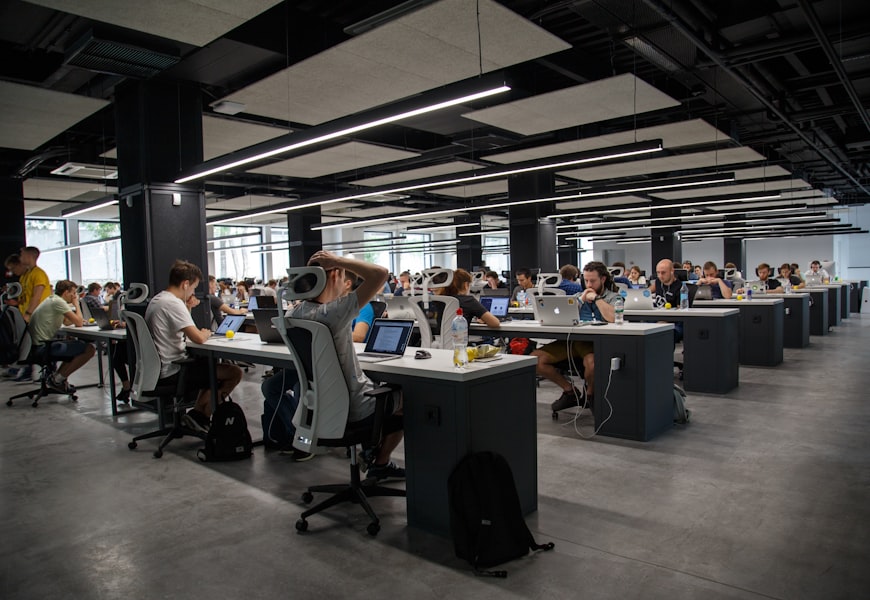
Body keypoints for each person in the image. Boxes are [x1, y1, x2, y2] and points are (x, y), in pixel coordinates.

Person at [291, 251, 404, 480]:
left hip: (320, 408)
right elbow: (381, 274)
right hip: (355, 408)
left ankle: (371, 450)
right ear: (334, 277)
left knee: (378, 389)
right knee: (410, 395)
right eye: (342, 276)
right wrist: (338, 261)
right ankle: (380, 462)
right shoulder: (333, 312)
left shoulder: (295, 313)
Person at [145, 260, 242, 434]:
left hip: (159, 369)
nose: (193, 292)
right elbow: (197, 337)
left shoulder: (159, 299)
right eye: (193, 288)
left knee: (208, 367)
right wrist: (205, 333)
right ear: (185, 284)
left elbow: (180, 327)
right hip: (173, 370)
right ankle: (200, 415)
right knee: (234, 372)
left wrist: (188, 307)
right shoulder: (173, 303)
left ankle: (197, 416)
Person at [536, 261, 618, 412]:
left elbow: (613, 318)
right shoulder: (578, 296)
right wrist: (581, 300)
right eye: (586, 280)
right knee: (536, 359)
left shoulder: (613, 297)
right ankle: (569, 391)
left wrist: (597, 299)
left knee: (592, 364)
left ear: (603, 279)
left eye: (592, 280)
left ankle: (590, 395)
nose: (589, 284)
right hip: (573, 341)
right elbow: (564, 314)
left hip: (594, 343)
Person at [28, 280, 96, 394]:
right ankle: (58, 379)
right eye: (73, 293)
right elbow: (78, 323)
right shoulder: (59, 302)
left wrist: (76, 319)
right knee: (89, 349)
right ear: (66, 292)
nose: (75, 296)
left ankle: (57, 378)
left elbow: (67, 321)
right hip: (43, 347)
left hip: (37, 345)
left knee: (73, 347)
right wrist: (76, 304)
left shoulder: (52, 300)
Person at [649, 259, 684, 342]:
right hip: (657, 318)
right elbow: (646, 293)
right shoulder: (658, 282)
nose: (660, 276)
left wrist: (666, 321)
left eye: (663, 273)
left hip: (673, 322)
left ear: (672, 271)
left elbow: (681, 311)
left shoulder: (680, 287)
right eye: (658, 273)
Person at [18, 246, 51, 323]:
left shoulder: (38, 274)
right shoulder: (25, 275)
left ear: (29, 256)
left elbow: (37, 296)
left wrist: (28, 313)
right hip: (29, 317)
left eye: (22, 255)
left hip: (38, 317)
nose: (20, 258)